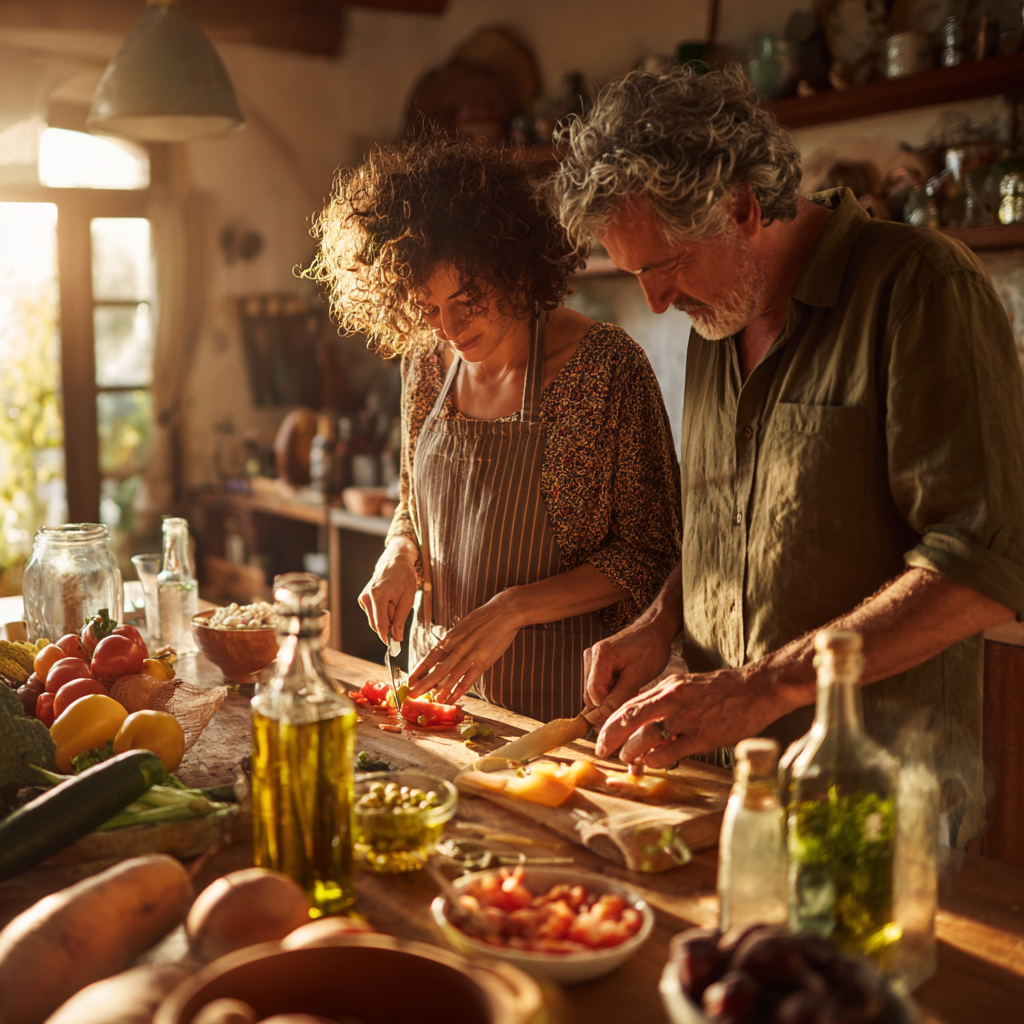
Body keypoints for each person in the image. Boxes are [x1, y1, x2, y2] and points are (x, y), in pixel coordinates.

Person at [546, 64, 1024, 846]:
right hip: (723, 787)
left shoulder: (920, 287)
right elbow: (726, 527)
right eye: (638, 278)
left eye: (662, 267)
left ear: (740, 207)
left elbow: (984, 566)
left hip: (879, 797)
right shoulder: (714, 323)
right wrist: (660, 624)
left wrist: (761, 687)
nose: (656, 302)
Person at [307, 136, 681, 723]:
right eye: (428, 308)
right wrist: (399, 554)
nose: (450, 328)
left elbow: (652, 551)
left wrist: (512, 608)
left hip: (568, 715)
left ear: (512, 264)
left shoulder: (605, 369)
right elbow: (412, 500)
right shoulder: (426, 364)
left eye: (466, 300)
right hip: (443, 704)